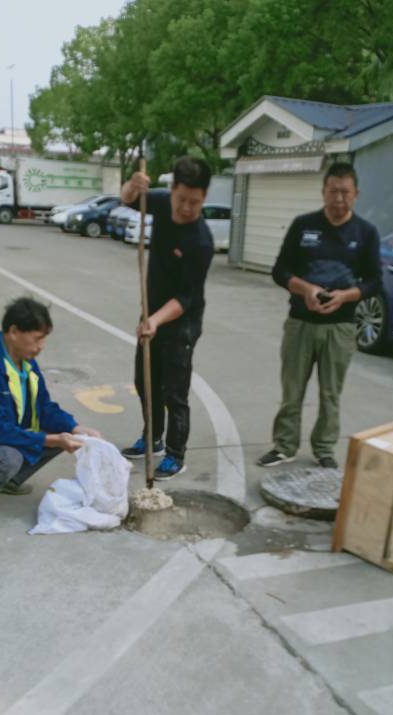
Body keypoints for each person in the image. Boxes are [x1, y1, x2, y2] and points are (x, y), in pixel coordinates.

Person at [258, 162, 382, 470]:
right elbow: (280, 271)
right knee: (292, 390)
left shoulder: (365, 233)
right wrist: (306, 290)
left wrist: (344, 296)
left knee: (330, 394)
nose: (339, 199)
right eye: (333, 192)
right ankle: (284, 445)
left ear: (356, 194)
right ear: (323, 192)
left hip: (340, 327)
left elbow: (374, 282)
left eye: (345, 193)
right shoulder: (303, 225)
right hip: (301, 322)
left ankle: (325, 448)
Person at [0, 297, 101, 517]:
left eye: (44, 339)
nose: (41, 346)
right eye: (37, 339)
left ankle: (8, 481)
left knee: (65, 435)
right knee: (9, 457)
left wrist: (75, 428)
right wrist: (51, 439)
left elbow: (44, 406)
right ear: (14, 332)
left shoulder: (25, 360)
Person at [119, 156, 214, 480]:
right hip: (152, 311)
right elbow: (128, 199)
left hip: (181, 320)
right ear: (172, 189)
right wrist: (133, 185)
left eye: (196, 202)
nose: (187, 208)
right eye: (182, 199)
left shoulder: (201, 241)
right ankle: (152, 438)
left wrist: (156, 321)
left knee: (174, 391)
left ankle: (175, 454)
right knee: (145, 382)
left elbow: (186, 298)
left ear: (204, 197)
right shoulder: (159, 202)